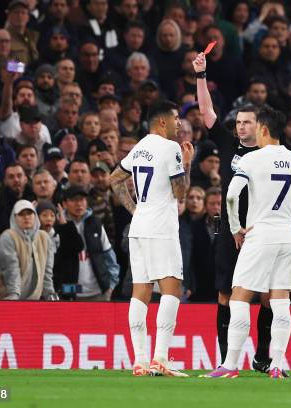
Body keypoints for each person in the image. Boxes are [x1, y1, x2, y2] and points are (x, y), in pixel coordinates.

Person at [193, 51, 274, 372]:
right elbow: (205, 110)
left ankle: (263, 355)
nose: (240, 127)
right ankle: (227, 360)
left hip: (261, 230)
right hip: (229, 229)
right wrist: (200, 75)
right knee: (225, 293)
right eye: (238, 122)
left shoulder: (272, 152)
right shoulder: (227, 144)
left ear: (260, 126)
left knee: (267, 295)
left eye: (247, 122)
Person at [204, 106, 291, 379]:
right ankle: (277, 365)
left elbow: (232, 196)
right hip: (286, 236)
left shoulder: (252, 160)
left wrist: (235, 229)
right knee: (280, 301)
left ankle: (230, 365)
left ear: (264, 129)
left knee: (239, 297)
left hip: (260, 233)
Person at [109, 100, 193, 377]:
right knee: (172, 291)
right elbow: (180, 194)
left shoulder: (140, 146)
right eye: (176, 118)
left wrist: (135, 208)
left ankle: (140, 361)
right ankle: (160, 358)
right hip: (161, 228)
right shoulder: (171, 148)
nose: (179, 123)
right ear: (162, 122)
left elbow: (114, 178)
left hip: (140, 227)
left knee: (140, 292)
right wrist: (188, 165)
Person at [53, 185, 119, 301]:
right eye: (74, 200)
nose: (79, 204)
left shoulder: (95, 223)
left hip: (98, 290)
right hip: (71, 291)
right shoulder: (57, 227)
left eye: (82, 200)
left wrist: (111, 286)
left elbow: (109, 255)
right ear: (64, 203)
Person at [0, 200, 55, 300]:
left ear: (35, 216)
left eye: (29, 213)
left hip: (31, 299)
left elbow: (47, 271)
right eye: (21, 214)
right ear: (14, 217)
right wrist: (13, 294)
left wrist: (49, 294)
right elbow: (10, 269)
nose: (26, 217)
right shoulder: (8, 236)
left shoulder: (44, 237)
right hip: (3, 296)